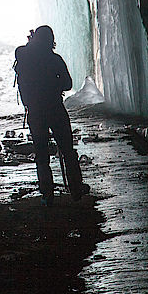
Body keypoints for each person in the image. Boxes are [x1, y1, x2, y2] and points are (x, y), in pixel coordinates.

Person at [15, 25, 89, 205]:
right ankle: (76, 188)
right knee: (67, 150)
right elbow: (67, 84)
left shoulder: (25, 58)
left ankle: (47, 194)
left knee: (41, 154)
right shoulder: (54, 59)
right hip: (55, 109)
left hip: (35, 112)